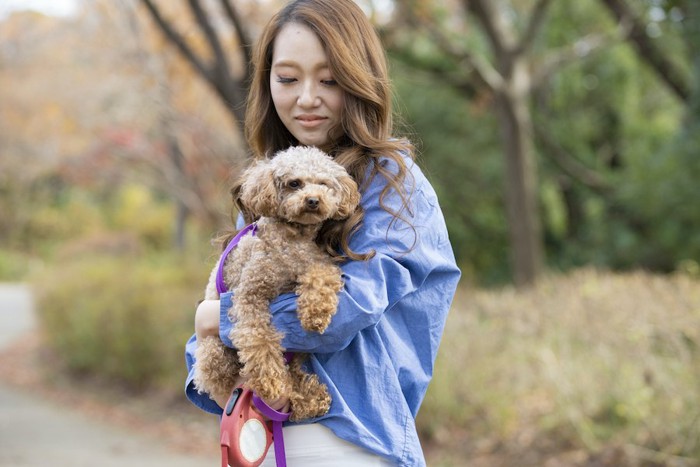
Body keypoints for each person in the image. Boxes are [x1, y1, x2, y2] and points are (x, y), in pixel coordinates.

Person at [184, 0, 461, 465]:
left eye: (329, 79)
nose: (307, 97)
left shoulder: (391, 182)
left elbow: (337, 314)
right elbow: (223, 307)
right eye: (288, 78)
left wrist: (215, 318)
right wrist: (212, 337)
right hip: (261, 433)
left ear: (358, 80)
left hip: (348, 438)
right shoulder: (268, 189)